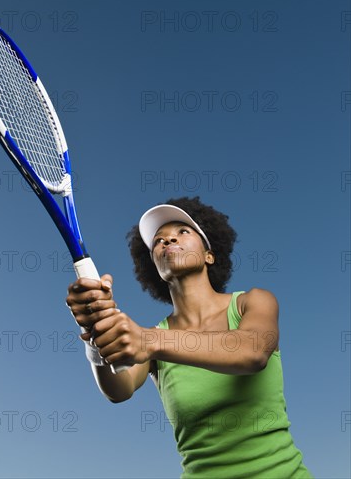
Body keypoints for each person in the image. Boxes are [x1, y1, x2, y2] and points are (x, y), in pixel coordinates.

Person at [66, 196, 313, 478]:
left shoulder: (253, 302)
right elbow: (118, 390)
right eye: (159, 240)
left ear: (210, 254)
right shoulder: (154, 336)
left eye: (183, 232)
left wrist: (150, 342)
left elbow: (253, 352)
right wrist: (95, 331)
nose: (168, 241)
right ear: (155, 267)